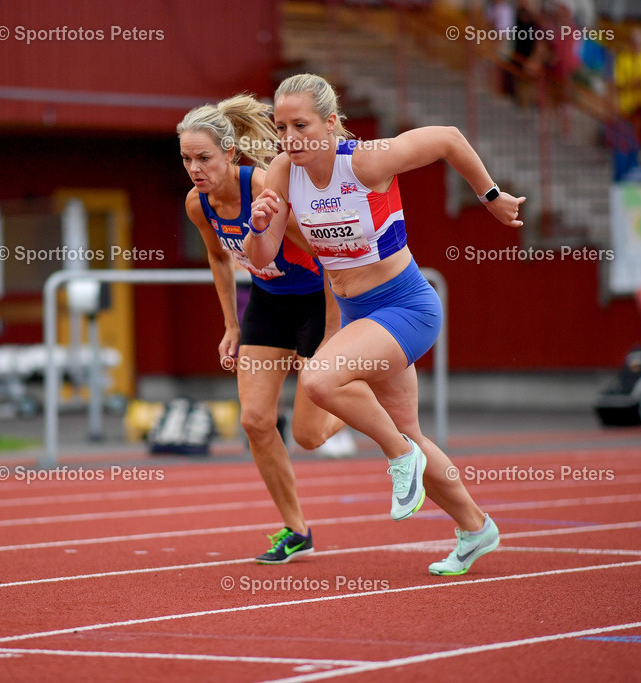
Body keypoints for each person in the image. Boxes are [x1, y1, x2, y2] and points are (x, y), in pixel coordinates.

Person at [245, 73, 523, 576]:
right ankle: (475, 526)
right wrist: (259, 227)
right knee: (409, 430)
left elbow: (449, 139)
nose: (290, 138)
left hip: (406, 307)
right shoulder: (284, 171)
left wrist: (492, 197)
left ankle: (399, 458)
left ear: (331, 124)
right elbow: (262, 257)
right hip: (358, 314)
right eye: (281, 126)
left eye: (301, 124)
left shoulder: (366, 159)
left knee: (320, 378)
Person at [177, 94, 353, 565]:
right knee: (255, 421)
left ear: (230, 153)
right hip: (269, 304)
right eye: (187, 159)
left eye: (204, 158)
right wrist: (231, 325)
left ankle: (365, 396)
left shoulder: (265, 189)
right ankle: (297, 529)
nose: (195, 168)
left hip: (316, 301)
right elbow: (219, 256)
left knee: (309, 436)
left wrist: (335, 332)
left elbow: (325, 256)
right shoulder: (199, 204)